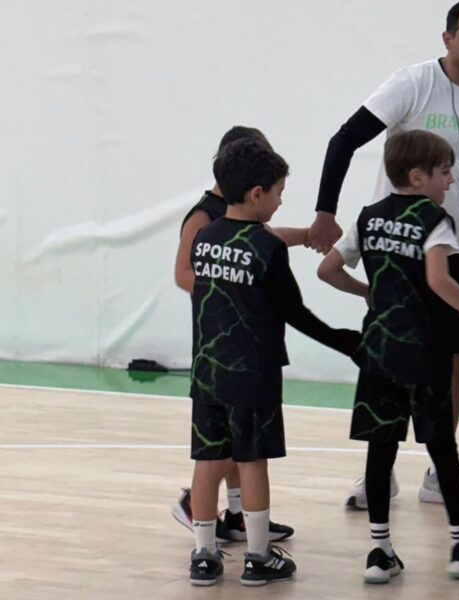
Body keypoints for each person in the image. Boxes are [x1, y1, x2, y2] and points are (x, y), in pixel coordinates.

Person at [308, 0, 459, 508]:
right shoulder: (411, 83)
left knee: (453, 360)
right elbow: (343, 140)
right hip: (400, 243)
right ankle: (377, 471)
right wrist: (326, 212)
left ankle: (441, 472)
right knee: (389, 355)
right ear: (447, 38)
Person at [187, 139, 361, 586]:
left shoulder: (204, 238)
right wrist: (344, 342)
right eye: (279, 192)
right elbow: (293, 312)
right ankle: (258, 556)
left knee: (207, 461)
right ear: (256, 194)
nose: (281, 201)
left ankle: (204, 556)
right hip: (253, 374)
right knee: (252, 461)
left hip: (207, 371)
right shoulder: (266, 248)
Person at [317, 130, 459, 584]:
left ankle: (379, 550)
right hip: (424, 351)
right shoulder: (436, 219)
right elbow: (439, 280)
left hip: (378, 352)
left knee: (380, 449)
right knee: (442, 448)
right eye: (444, 172)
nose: (451, 180)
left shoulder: (368, 217)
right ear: (417, 176)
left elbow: (327, 269)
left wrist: (366, 290)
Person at [172, 126, 304, 546]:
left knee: (236, 446)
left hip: (238, 348)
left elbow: (259, 244)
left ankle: (236, 516)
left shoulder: (241, 215)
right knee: (229, 449)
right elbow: (183, 274)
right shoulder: (202, 216)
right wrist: (231, 296)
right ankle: (197, 509)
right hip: (221, 345)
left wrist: (305, 237)